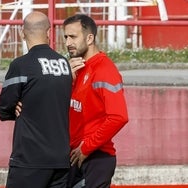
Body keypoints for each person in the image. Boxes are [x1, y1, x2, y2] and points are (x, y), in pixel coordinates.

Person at [0, 11, 72, 188]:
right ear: (49, 32)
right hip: (60, 158)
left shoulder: (21, 65)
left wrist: (15, 108)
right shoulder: (64, 63)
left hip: (29, 159)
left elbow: (4, 107)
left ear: (23, 33)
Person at [63, 14, 129, 188]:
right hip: (74, 156)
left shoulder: (105, 70)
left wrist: (86, 148)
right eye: (66, 37)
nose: (68, 42)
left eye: (73, 37)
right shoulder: (75, 69)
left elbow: (118, 117)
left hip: (96, 157)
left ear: (90, 38)